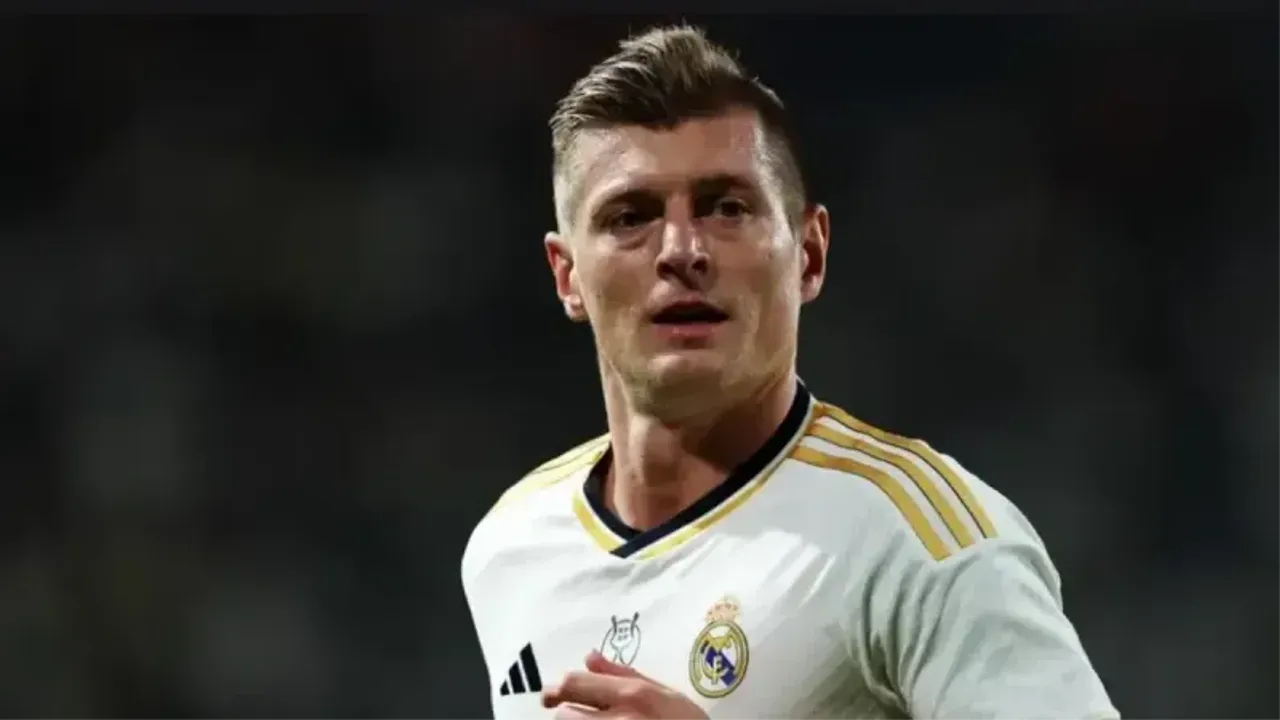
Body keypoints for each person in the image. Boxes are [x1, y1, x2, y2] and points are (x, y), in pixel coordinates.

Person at [461, 23, 1120, 720]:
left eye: (726, 208)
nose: (681, 249)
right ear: (567, 275)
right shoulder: (512, 547)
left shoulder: (923, 544)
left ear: (809, 254)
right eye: (631, 216)